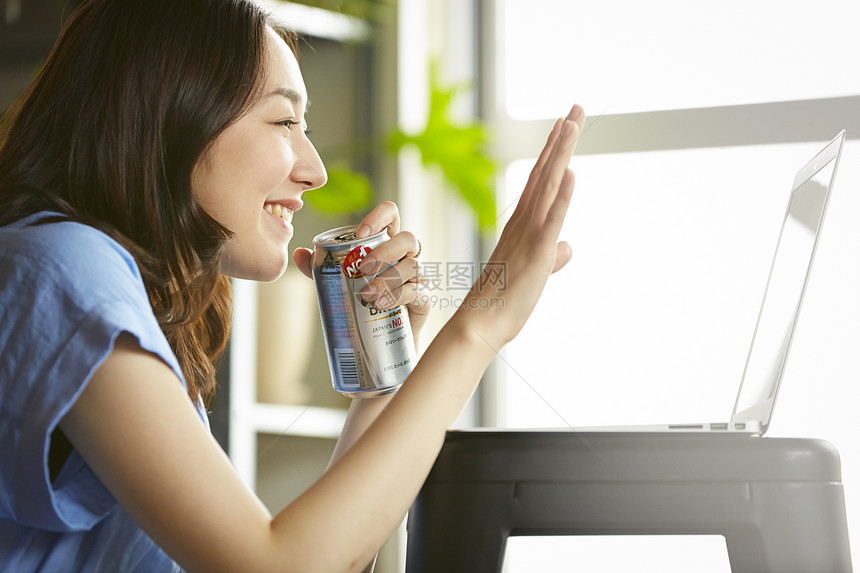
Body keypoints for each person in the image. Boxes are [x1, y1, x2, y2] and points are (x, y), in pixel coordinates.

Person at [0, 0, 585, 570]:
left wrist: (376, 377)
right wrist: (479, 326)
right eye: (283, 121)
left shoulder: (121, 302)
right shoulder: (62, 267)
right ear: (168, 116)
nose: (315, 169)